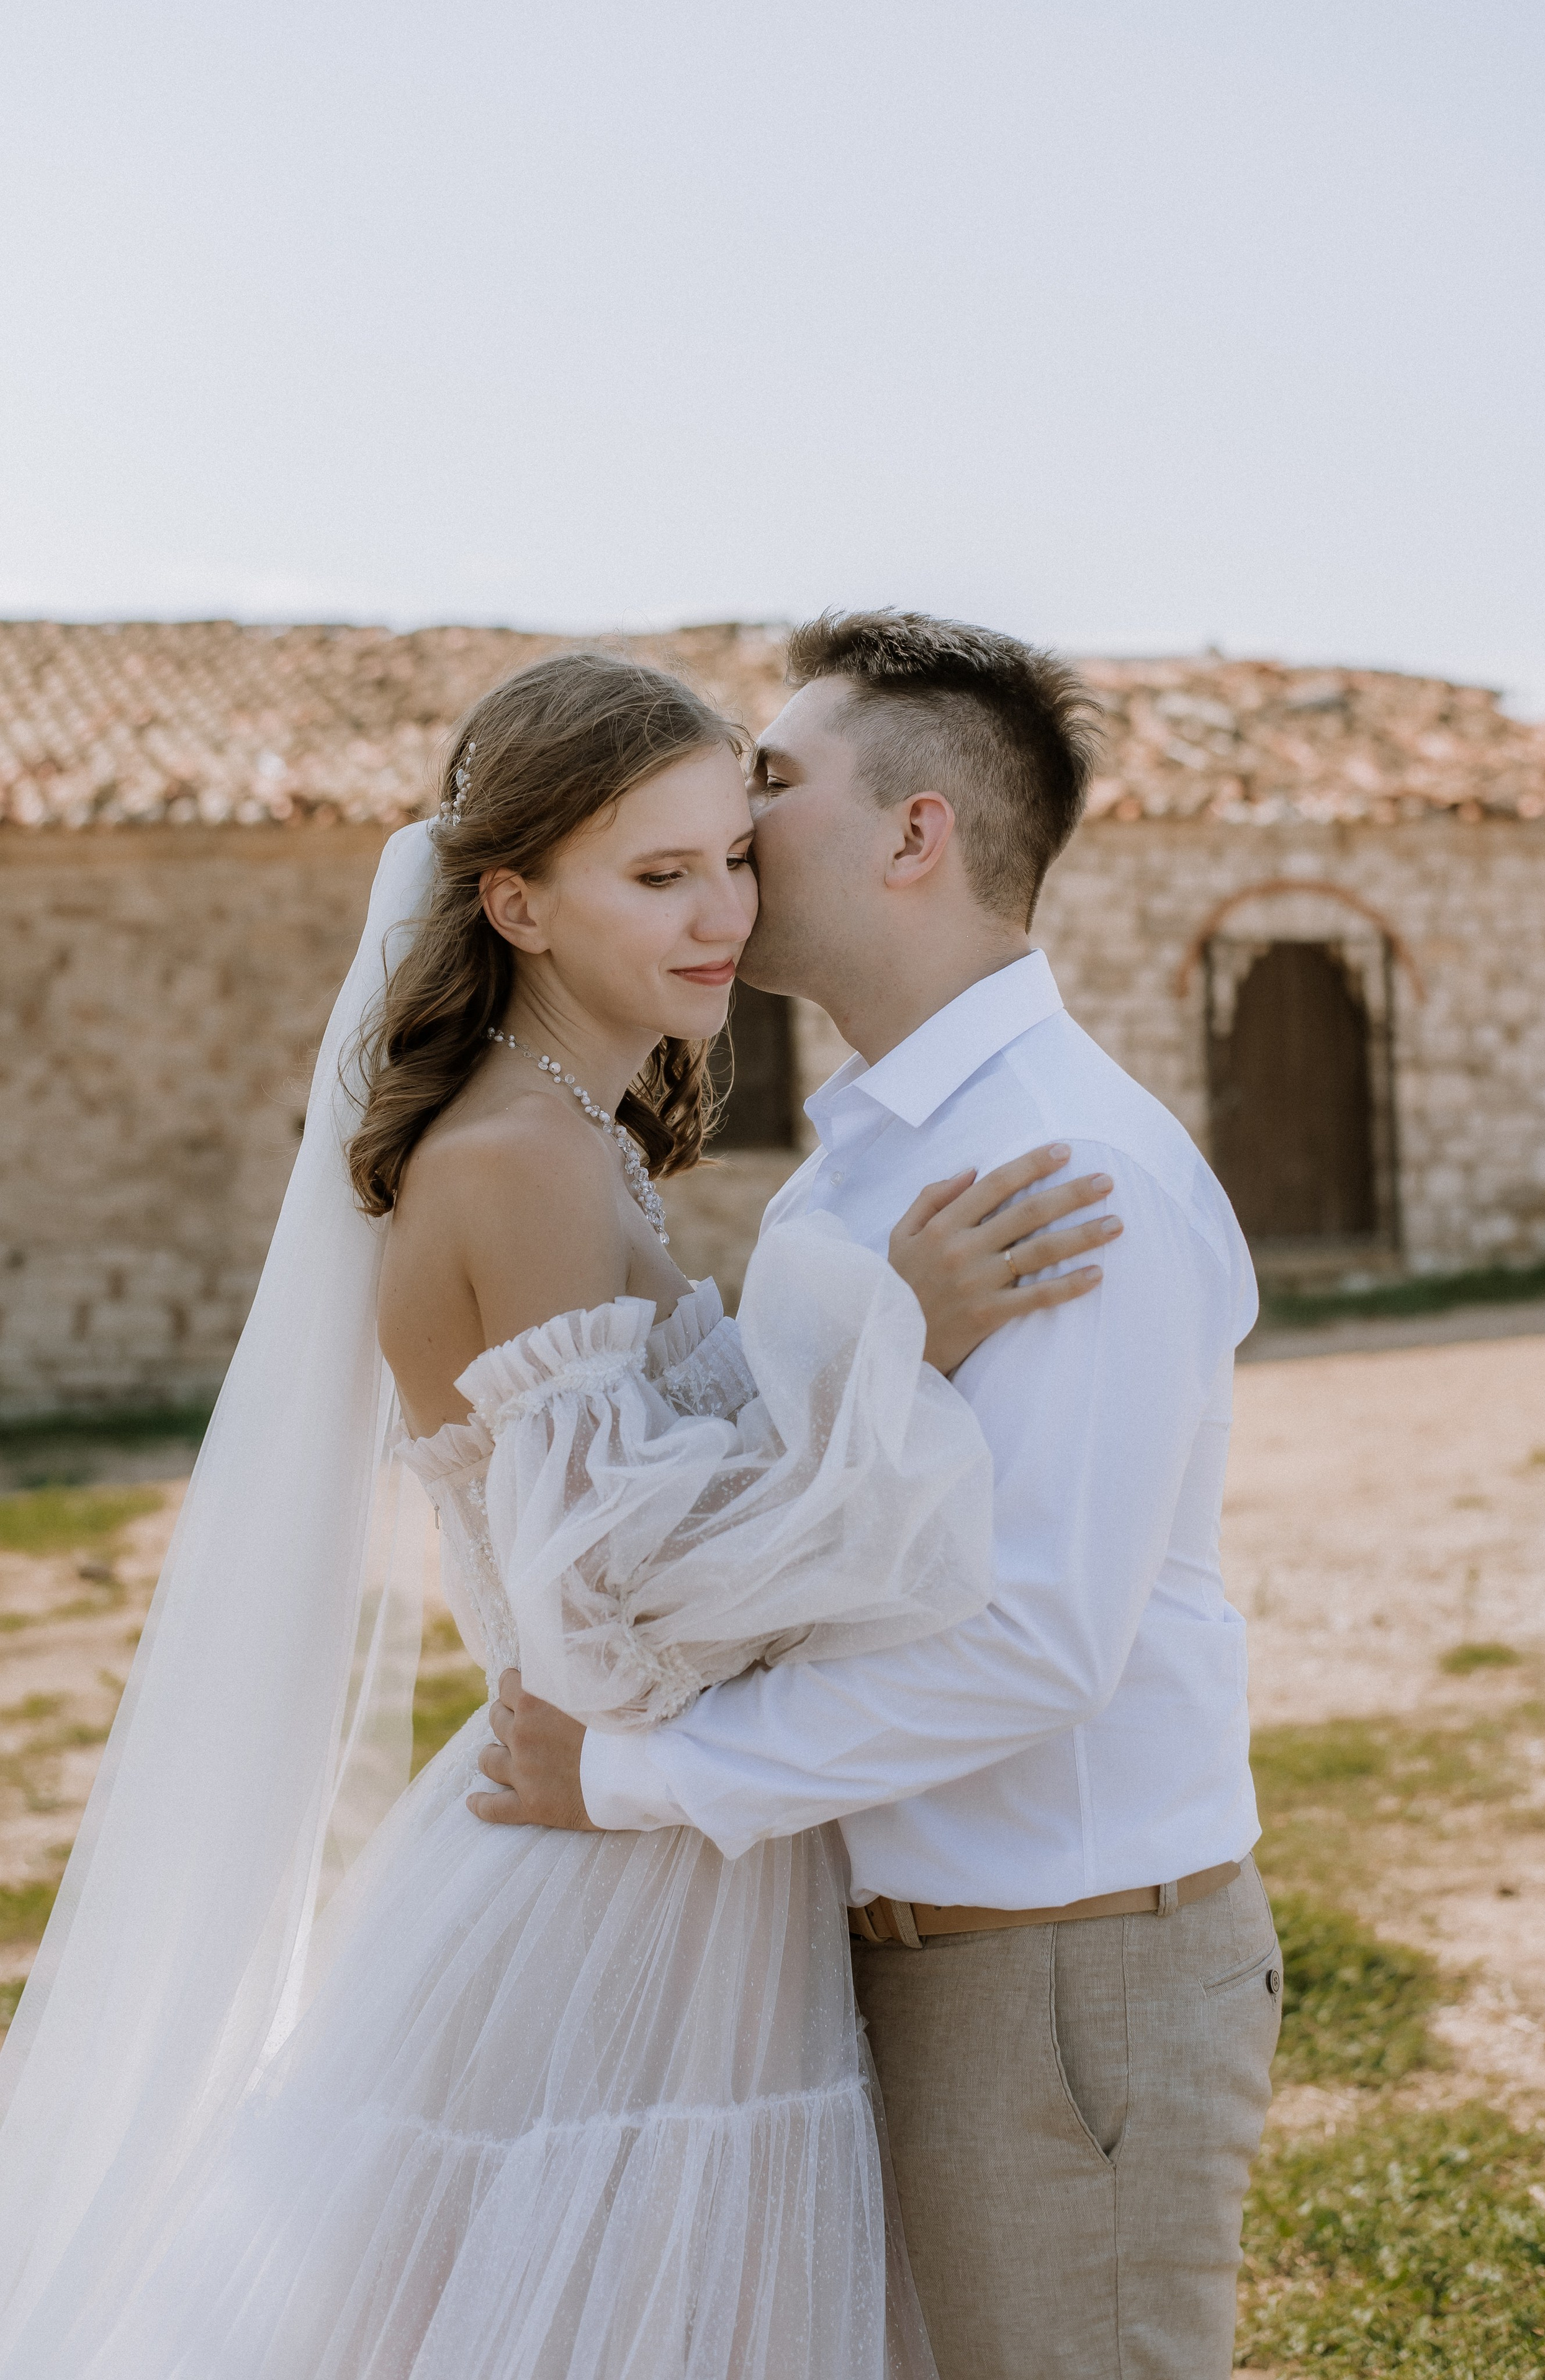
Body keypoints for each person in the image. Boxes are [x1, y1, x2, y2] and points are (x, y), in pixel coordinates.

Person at [0, 650, 1118, 2380]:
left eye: (732, 858)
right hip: (604, 1882)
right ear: (514, 899)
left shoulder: (588, 1138)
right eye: (658, 875)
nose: (722, 914)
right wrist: (904, 1349)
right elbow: (612, 1613)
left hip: (668, 1858)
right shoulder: (515, 1159)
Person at [487, 613, 1282, 2380]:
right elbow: (800, 1533)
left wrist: (633, 1776)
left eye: (774, 780)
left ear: (917, 833)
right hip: (909, 1954)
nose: (738, 821)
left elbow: (1031, 1645)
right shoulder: (866, 1168)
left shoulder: (1063, 1171)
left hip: (1064, 1973)